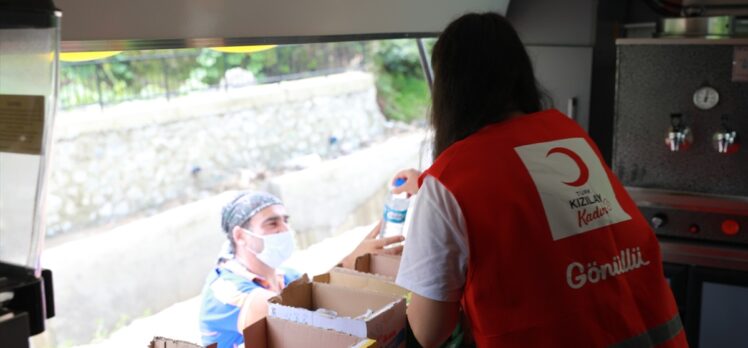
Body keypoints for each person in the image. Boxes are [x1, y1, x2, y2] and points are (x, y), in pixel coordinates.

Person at [391, 12, 687, 348]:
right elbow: (528, 199)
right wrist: (428, 185)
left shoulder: (450, 182)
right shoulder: (566, 134)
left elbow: (430, 332)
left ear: (448, 90)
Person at [199, 191, 403, 348]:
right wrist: (349, 263)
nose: (284, 230)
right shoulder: (225, 291)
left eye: (285, 221)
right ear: (241, 236)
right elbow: (285, 316)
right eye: (272, 223)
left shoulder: (287, 276)